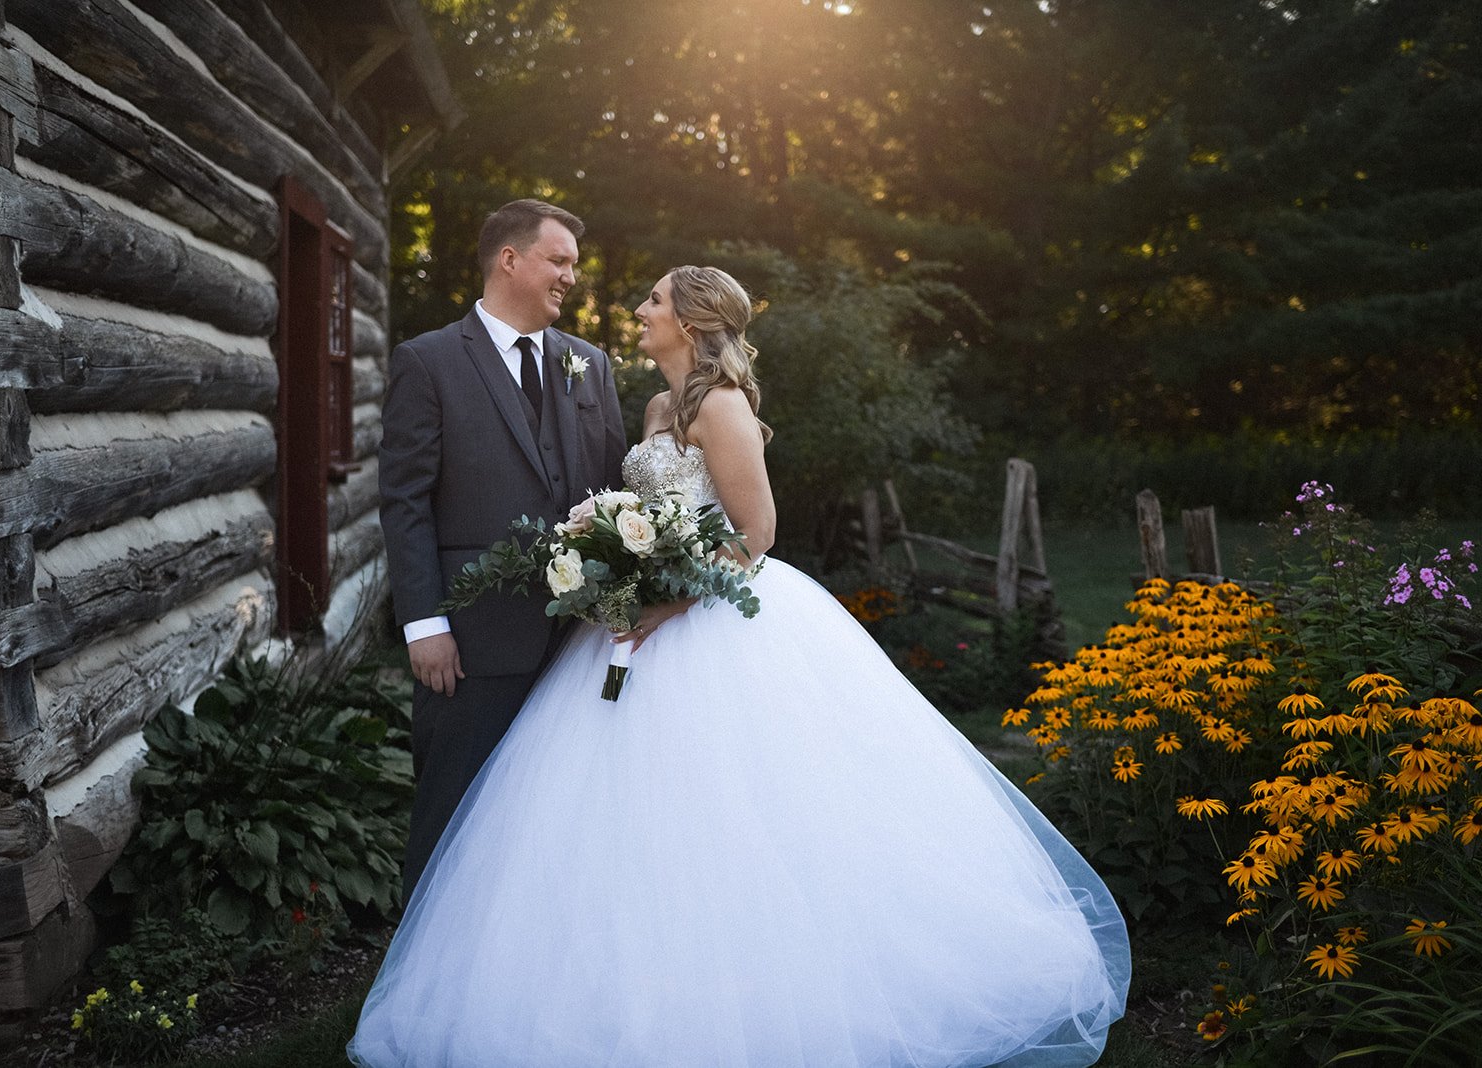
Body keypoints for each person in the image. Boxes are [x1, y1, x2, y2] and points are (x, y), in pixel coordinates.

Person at [351, 266, 1131, 1067]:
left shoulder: (721, 405)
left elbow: (755, 532)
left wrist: (672, 599)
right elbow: (645, 512)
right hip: (629, 626)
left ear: (689, 323)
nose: (638, 309)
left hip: (714, 620)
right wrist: (613, 562)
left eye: (652, 300)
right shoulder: (658, 407)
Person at [377, 199, 627, 903]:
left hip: (574, 641)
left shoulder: (590, 365)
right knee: (453, 813)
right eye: (559, 261)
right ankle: (423, 979)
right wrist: (424, 625)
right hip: (472, 639)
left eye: (574, 265)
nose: (571, 278)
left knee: (559, 818)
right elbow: (405, 502)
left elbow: (612, 491)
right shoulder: (427, 362)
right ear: (509, 260)